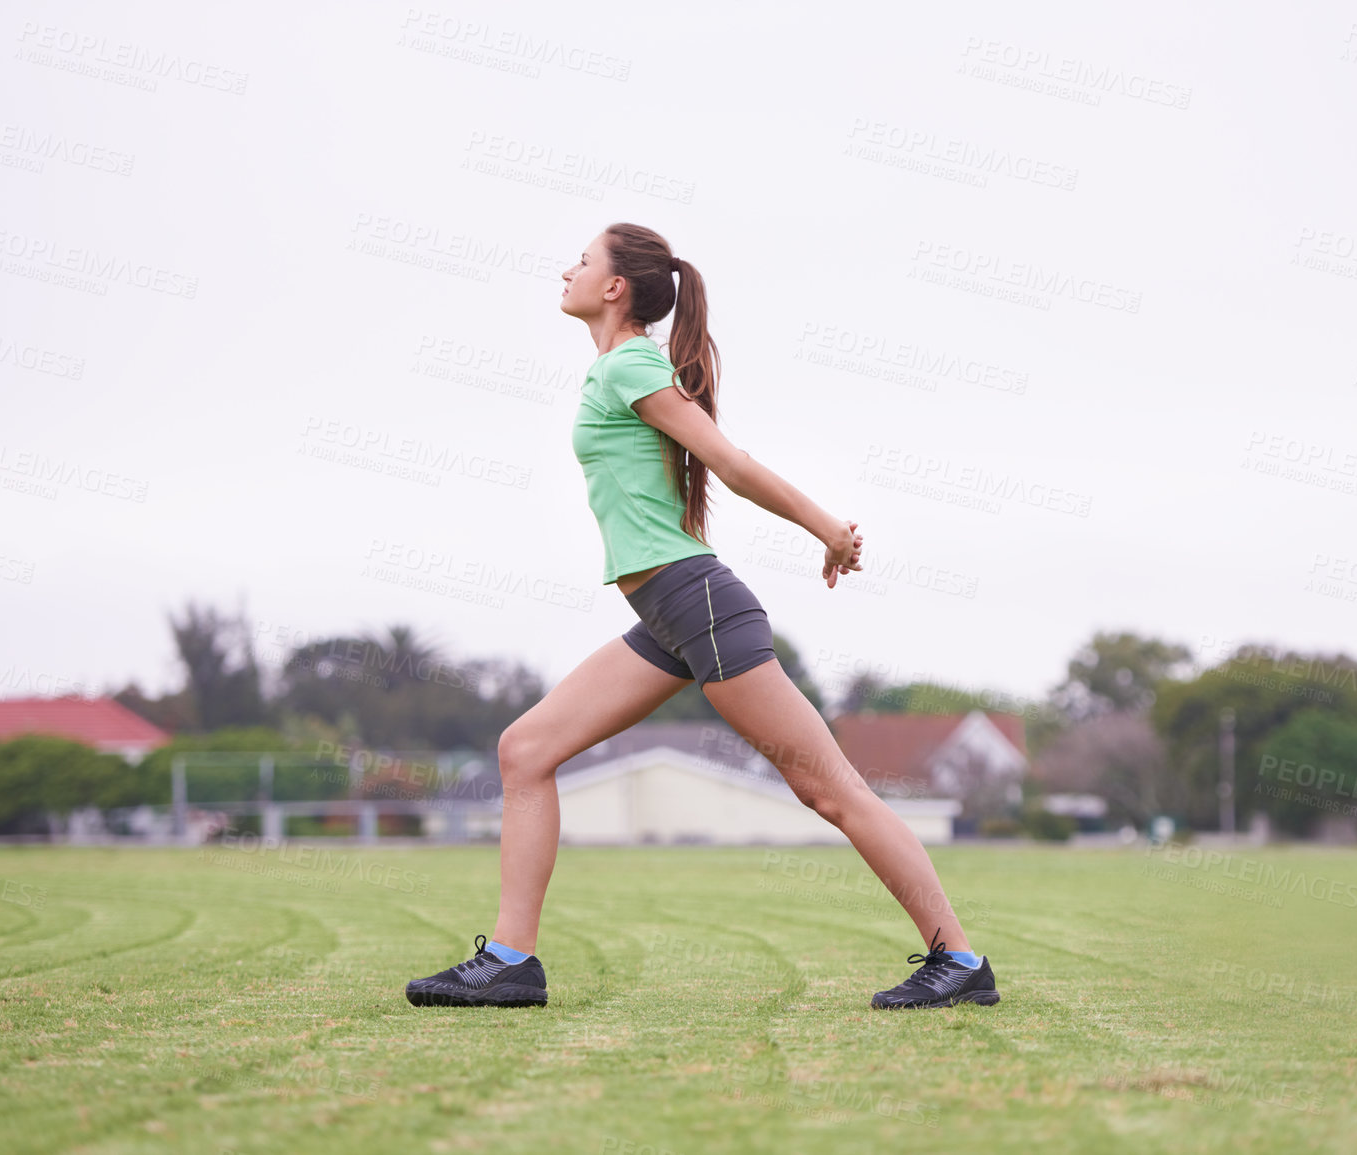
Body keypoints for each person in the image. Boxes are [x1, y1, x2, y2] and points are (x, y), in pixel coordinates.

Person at [405, 222, 998, 1011]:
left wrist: (826, 527)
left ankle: (956, 958)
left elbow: (729, 461)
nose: (567, 269)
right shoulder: (616, 367)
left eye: (582, 261)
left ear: (615, 287)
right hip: (665, 617)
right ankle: (512, 959)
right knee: (526, 749)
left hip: (698, 604)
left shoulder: (634, 362)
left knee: (828, 789)